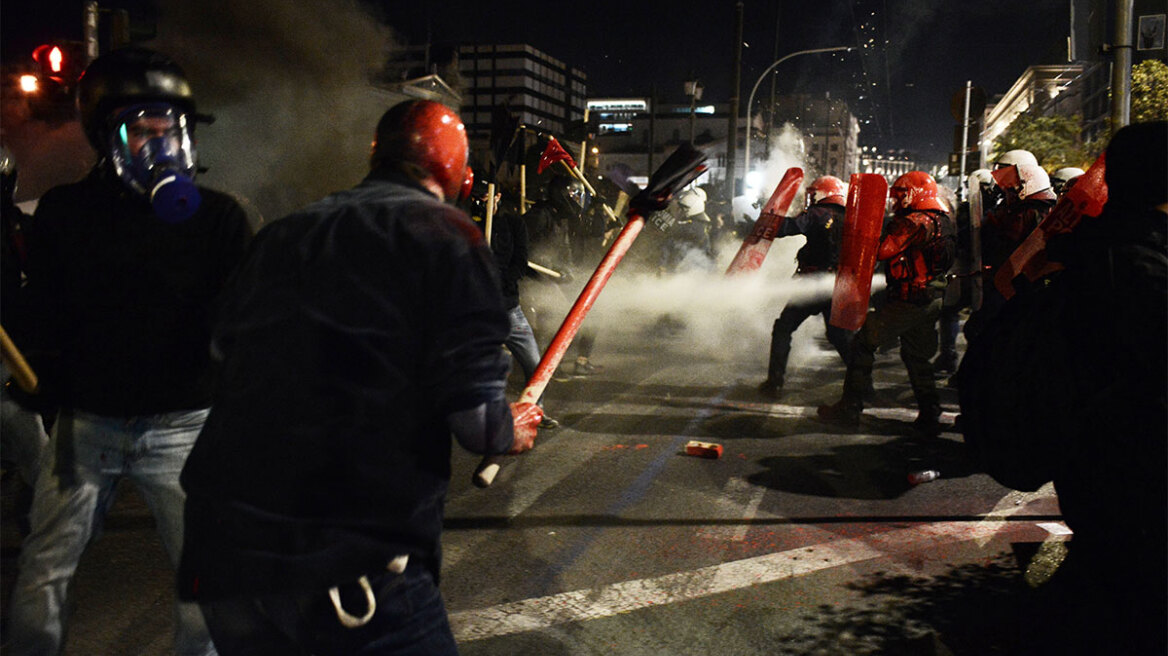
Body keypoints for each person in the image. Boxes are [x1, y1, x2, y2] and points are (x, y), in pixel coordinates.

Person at [176, 99, 540, 655]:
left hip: (223, 554)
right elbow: (478, 424)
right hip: (347, 563)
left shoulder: (287, 231)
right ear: (459, 176)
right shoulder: (448, 238)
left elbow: (221, 353)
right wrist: (508, 428)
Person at [7, 47, 253, 656]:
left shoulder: (218, 220)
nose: (159, 144)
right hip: (86, 427)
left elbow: (244, 327)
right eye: (141, 131)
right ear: (106, 137)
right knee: (45, 568)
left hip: (182, 427)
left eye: (170, 130)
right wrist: (43, 380)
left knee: (205, 576)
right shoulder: (65, 214)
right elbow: (44, 312)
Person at [957, 121, 1166, 653]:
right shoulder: (1139, 266)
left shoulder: (1097, 251)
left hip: (1099, 468)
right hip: (1133, 472)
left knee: (1100, 585)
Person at [817, 171, 956, 435]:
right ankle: (930, 412)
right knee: (916, 357)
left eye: (902, 194)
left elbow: (881, 251)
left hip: (908, 300)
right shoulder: (943, 219)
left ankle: (850, 409)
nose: (896, 200)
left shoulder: (914, 222)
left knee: (863, 342)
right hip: (930, 298)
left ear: (916, 193)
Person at [467, 179, 559, 429]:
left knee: (535, 365)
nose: (482, 201)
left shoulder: (512, 223)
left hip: (508, 309)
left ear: (496, 197)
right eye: (478, 197)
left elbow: (520, 262)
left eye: (487, 196)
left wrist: (499, 279)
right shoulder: (464, 222)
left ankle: (536, 411)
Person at [757, 175, 852, 398]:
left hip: (813, 283)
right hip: (837, 285)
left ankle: (774, 383)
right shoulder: (849, 216)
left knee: (784, 327)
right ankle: (863, 385)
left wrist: (765, 220)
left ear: (823, 194)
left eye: (814, 193)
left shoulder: (818, 213)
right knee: (839, 336)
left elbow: (787, 228)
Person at [964, 162, 1056, 341]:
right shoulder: (1042, 210)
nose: (1006, 193)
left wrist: (990, 225)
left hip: (1012, 284)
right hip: (1015, 284)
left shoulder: (1026, 213)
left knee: (982, 331)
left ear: (1025, 187)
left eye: (1011, 189)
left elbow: (1003, 244)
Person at [525, 175, 601, 376]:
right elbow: (526, 248)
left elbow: (571, 244)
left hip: (557, 276)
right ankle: (546, 367)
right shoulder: (540, 215)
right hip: (538, 278)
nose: (577, 199)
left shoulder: (562, 217)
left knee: (592, 312)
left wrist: (567, 269)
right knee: (552, 317)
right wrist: (553, 268)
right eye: (574, 194)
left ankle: (576, 361)